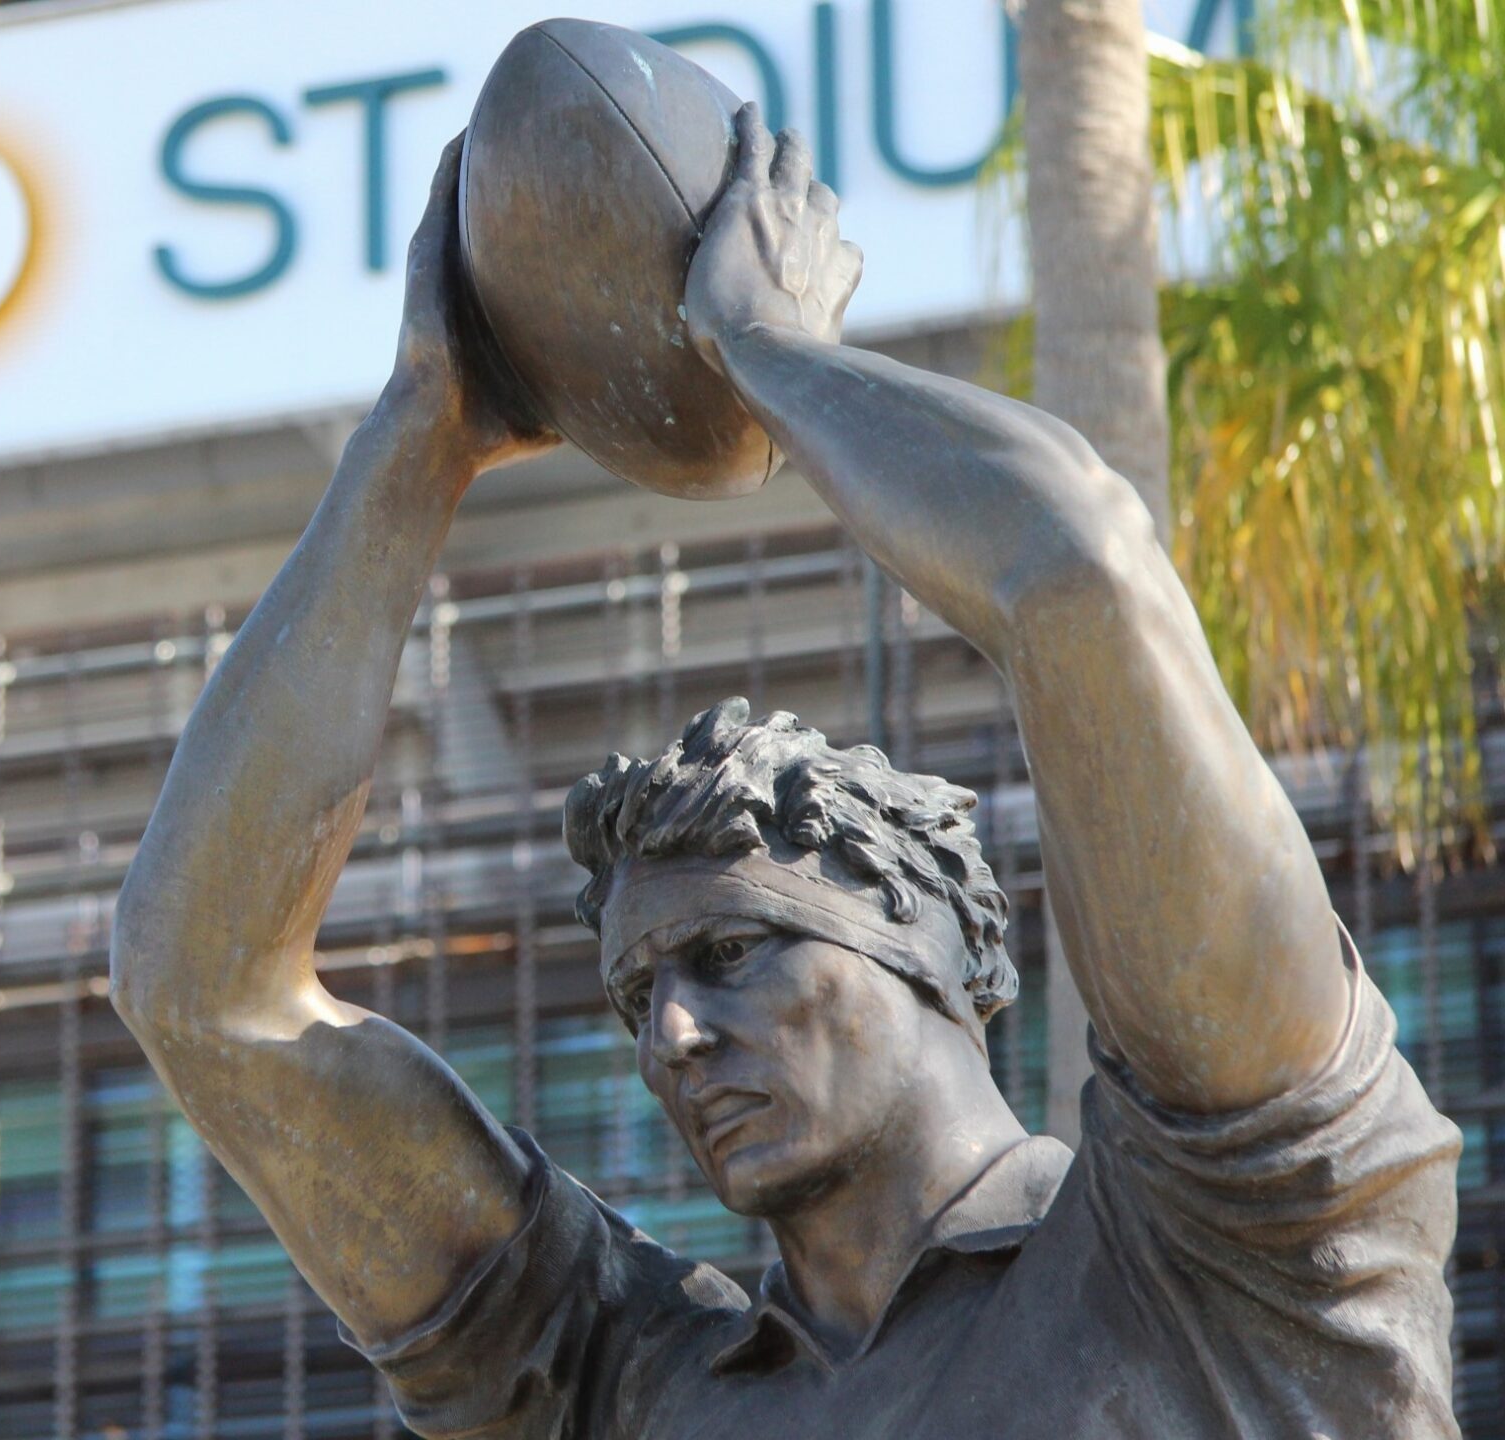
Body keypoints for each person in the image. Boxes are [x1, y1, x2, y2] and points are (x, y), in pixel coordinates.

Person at [108, 105, 1462, 1436]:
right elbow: (200, 991)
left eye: (730, 954)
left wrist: (769, 351)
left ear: (930, 944)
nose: (670, 1039)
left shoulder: (1234, 1237)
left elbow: (1081, 575)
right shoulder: (626, 1386)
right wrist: (419, 434)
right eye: (639, 994)